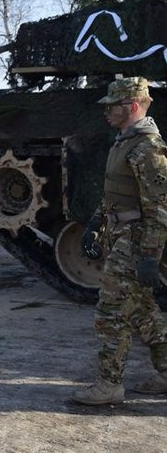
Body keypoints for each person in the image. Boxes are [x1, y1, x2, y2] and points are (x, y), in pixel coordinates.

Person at [72, 77, 167, 405]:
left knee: (112, 310)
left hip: (136, 240)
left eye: (113, 105)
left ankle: (109, 384)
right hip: (120, 235)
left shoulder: (148, 148)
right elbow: (115, 191)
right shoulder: (124, 141)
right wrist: (96, 223)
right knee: (141, 309)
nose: (107, 111)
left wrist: (150, 256)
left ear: (133, 106)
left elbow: (159, 208)